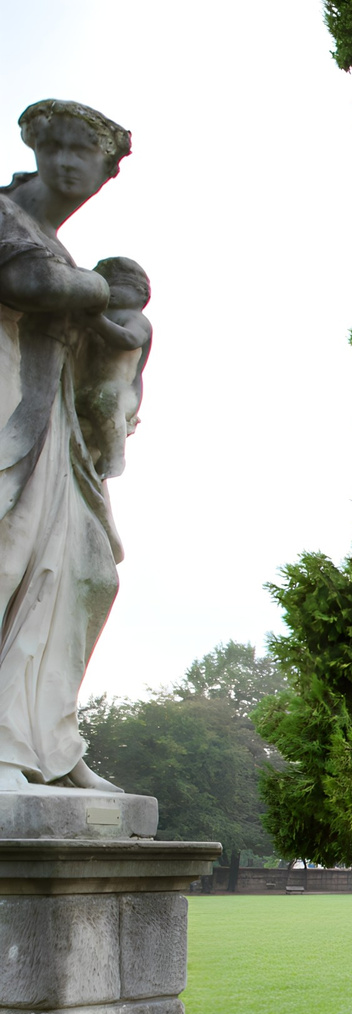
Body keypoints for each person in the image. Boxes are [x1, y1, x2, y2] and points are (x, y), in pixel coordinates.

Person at [0, 99, 147, 791]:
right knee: (4, 569)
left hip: (52, 432)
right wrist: (98, 290)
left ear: (104, 171)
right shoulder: (6, 218)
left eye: (81, 152)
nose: (64, 161)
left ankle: (48, 744)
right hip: (8, 419)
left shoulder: (55, 244)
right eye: (53, 145)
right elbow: (25, 282)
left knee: (91, 573)